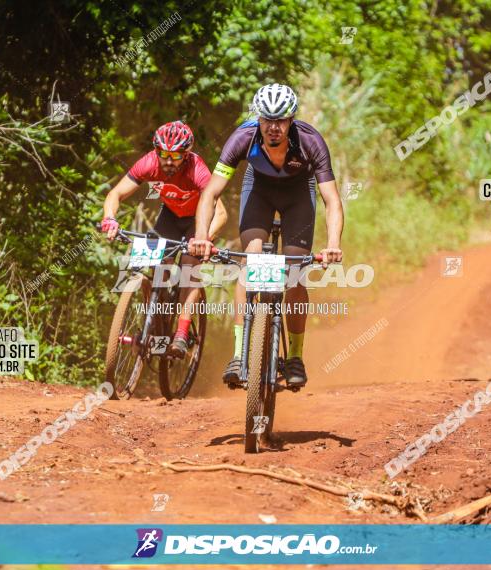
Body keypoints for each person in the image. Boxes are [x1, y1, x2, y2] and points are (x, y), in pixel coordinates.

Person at [187, 84, 344, 387]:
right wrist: (201, 236)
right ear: (258, 119)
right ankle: (238, 353)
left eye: (281, 120)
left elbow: (332, 200)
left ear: (291, 120)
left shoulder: (311, 142)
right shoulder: (242, 138)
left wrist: (334, 244)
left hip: (299, 194)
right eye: (267, 120)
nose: (273, 127)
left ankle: (295, 356)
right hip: (258, 191)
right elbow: (210, 194)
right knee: (250, 263)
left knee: (296, 273)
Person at [102, 120, 227, 357]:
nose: (169, 161)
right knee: (156, 264)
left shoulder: (197, 169)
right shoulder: (149, 163)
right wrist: (110, 218)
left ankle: (181, 332)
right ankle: (156, 316)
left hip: (196, 222)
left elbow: (220, 213)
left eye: (176, 156)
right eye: (164, 155)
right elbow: (115, 193)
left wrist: (205, 239)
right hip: (170, 217)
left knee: (190, 266)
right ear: (156, 151)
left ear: (187, 154)